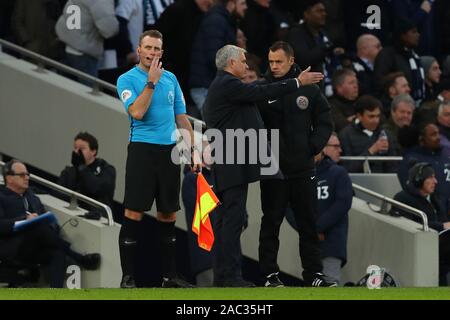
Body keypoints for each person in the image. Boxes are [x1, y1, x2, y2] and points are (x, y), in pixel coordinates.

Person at [202, 44, 324, 287]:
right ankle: (230, 278)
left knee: (230, 221)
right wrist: (297, 82)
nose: (247, 66)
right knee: (231, 222)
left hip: (233, 163)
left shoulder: (226, 86)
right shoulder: (227, 84)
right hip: (232, 162)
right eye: (244, 61)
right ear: (232, 63)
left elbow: (257, 89)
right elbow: (261, 92)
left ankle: (225, 276)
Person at [116, 30, 200, 288]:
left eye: (156, 49)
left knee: (168, 214)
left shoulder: (172, 79)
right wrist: (150, 82)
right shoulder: (126, 79)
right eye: (148, 48)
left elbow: (182, 119)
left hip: (169, 152)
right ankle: (128, 278)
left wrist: (192, 150)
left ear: (161, 53)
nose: (152, 53)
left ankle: (169, 277)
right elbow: (138, 112)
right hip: (142, 150)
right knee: (134, 212)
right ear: (139, 50)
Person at [256, 41, 335, 287]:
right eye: (270, 62)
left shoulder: (310, 89)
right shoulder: (263, 88)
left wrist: (313, 146)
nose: (274, 66)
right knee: (271, 223)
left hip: (303, 168)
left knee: (308, 224)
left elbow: (325, 120)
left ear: (291, 61)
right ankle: (269, 275)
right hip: (273, 169)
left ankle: (314, 275)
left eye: (279, 61)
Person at [0, 160, 101, 288]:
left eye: (27, 174)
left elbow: (45, 221)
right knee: (36, 226)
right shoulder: (2, 197)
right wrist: (24, 220)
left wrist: (50, 225)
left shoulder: (32, 197)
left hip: (35, 246)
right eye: (22, 175)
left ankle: (55, 294)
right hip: (13, 248)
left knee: (57, 253)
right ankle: (79, 257)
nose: (26, 177)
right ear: (9, 178)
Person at [391, 162, 450, 285]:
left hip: (441, 255)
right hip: (417, 256)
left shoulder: (435, 198)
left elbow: (443, 219)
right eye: (431, 177)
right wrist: (442, 226)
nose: (436, 181)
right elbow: (409, 224)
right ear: (418, 179)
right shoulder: (402, 198)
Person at [312, 133, 352, 286]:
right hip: (309, 243)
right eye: (336, 146)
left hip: (332, 240)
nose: (340, 150)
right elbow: (290, 208)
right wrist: (309, 230)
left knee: (329, 283)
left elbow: (343, 204)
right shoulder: (302, 176)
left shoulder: (338, 174)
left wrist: (317, 228)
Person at [58, 132, 116, 219]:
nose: (77, 152)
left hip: (96, 218)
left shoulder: (107, 170)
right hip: (69, 214)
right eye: (75, 148)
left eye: (82, 149)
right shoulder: (69, 171)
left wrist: (82, 168)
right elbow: (58, 193)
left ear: (93, 151)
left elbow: (96, 188)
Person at [55, 0, 119, 78]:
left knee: (63, 86)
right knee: (87, 89)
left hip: (66, 45)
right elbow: (110, 29)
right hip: (83, 53)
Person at [398, 122, 450, 215]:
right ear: (422, 139)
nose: (438, 138)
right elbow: (410, 189)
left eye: (438, 133)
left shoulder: (446, 154)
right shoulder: (412, 159)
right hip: (429, 210)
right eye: (433, 134)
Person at [339, 95, 398, 173]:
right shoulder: (346, 135)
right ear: (359, 116)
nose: (376, 120)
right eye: (371, 116)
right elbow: (347, 167)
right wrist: (371, 151)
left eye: (378, 116)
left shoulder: (386, 134)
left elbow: (393, 166)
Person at [328, 68, 359, 133]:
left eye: (356, 82)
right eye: (351, 83)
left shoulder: (362, 101)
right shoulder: (330, 105)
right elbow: (341, 126)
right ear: (339, 87)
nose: (356, 86)